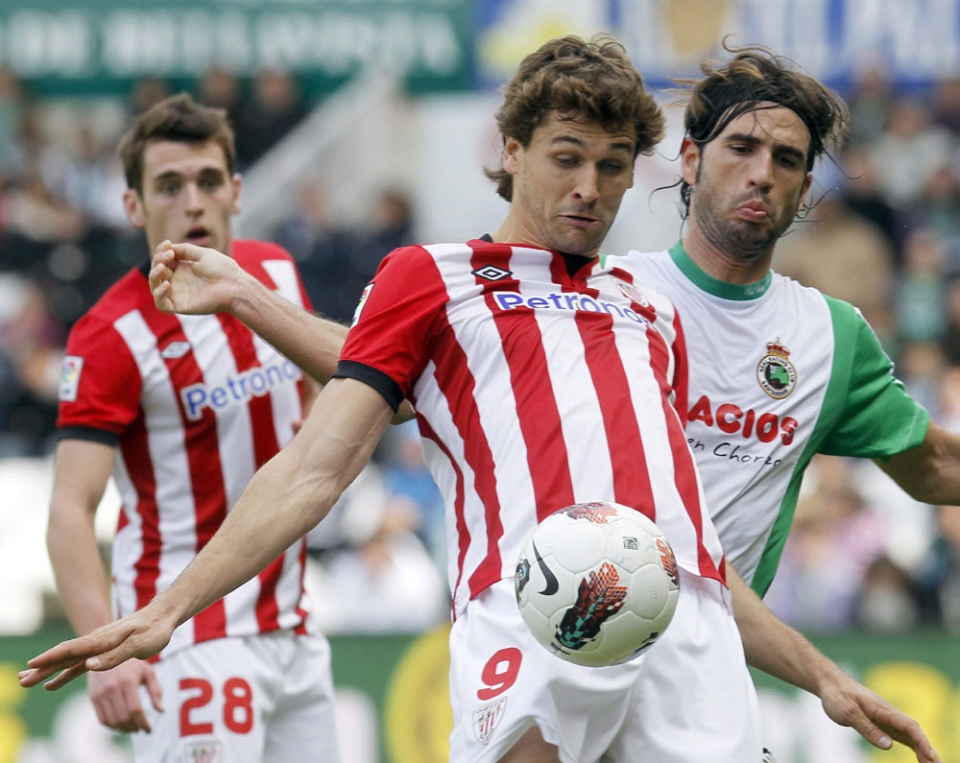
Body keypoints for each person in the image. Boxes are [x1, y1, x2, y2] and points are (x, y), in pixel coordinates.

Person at [21, 37, 937, 763]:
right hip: (529, 610)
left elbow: (687, 543)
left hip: (682, 629)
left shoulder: (643, 303)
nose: (588, 188)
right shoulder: (432, 278)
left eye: (613, 165)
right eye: (567, 158)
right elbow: (315, 465)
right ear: (511, 150)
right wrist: (170, 606)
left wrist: (823, 675)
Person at [39, 93, 342, 762]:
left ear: (236, 191)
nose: (194, 202)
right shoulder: (111, 333)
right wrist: (105, 653)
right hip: (186, 638)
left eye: (208, 181)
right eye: (169, 186)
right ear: (134, 206)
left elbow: (336, 388)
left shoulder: (275, 271)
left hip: (294, 625)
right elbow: (69, 508)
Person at [615, 45, 960, 602]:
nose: (762, 174)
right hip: (571, 629)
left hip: (718, 645)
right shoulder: (606, 295)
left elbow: (936, 465)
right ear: (691, 160)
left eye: (786, 159)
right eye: (741, 148)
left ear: (803, 192)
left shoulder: (832, 335)